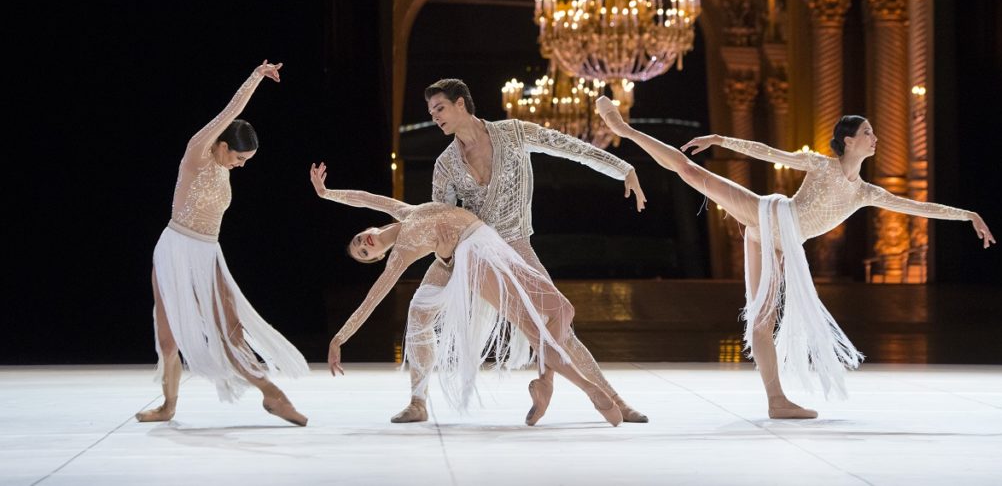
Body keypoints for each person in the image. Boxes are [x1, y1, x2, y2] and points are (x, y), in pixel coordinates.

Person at [595, 99, 995, 418]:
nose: (876, 137)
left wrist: (968, 215)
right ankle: (624, 129)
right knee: (692, 172)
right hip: (768, 214)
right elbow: (771, 152)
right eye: (868, 132)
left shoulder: (865, 192)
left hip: (778, 242)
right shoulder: (822, 165)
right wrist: (721, 139)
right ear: (848, 140)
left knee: (762, 319)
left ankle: (776, 401)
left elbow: (914, 206)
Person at [393, 79, 649, 426]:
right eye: (431, 112)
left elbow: (569, 146)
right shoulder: (445, 164)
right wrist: (442, 256)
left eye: (439, 109)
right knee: (419, 312)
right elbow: (441, 219)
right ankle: (418, 401)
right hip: (467, 250)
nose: (435, 117)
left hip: (515, 246)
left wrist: (622, 168)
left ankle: (613, 400)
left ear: (460, 104)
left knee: (558, 324)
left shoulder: (513, 133)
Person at [310, 163, 624, 427]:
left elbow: (365, 198)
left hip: (490, 241)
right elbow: (371, 300)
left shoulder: (403, 211)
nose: (365, 244)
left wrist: (326, 194)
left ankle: (545, 382)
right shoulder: (399, 255)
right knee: (532, 328)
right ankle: (591, 390)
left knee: (561, 309)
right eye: (365, 253)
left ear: (367, 229)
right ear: (377, 257)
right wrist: (339, 338)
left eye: (359, 241)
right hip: (474, 257)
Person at [135, 61, 309, 426]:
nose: (242, 165)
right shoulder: (197, 154)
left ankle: (271, 395)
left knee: (231, 331)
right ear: (224, 145)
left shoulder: (223, 169)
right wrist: (255, 78)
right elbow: (230, 112)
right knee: (168, 340)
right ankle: (168, 406)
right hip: (176, 248)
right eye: (240, 157)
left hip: (208, 252)